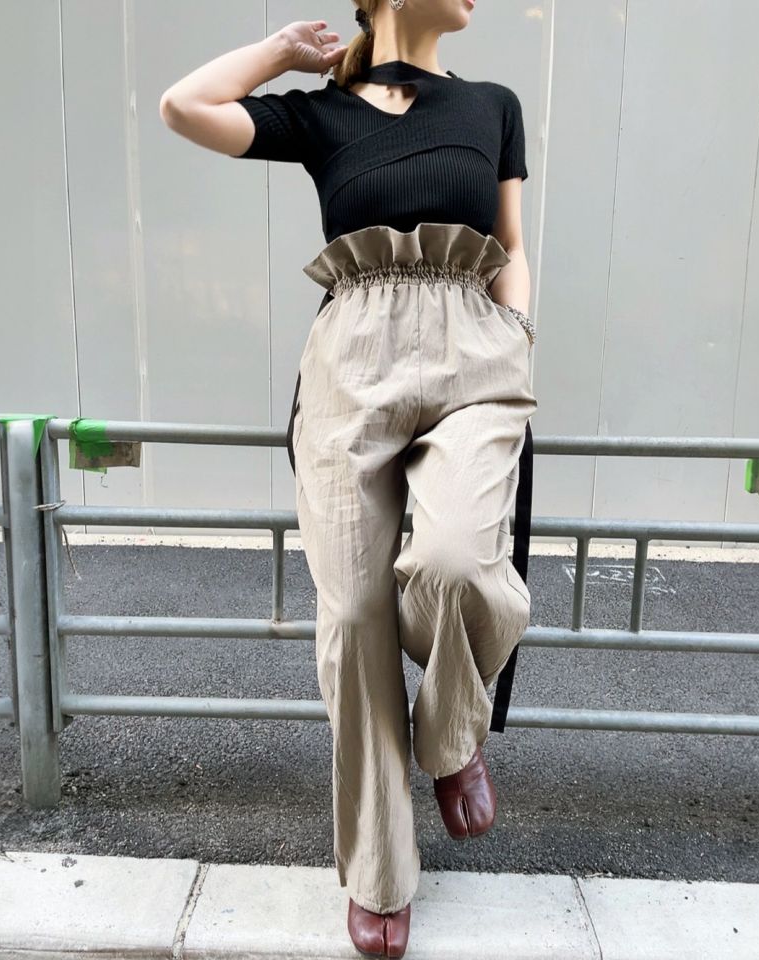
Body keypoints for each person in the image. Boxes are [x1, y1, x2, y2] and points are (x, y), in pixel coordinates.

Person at [160, 2, 537, 956]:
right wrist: (281, 53)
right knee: (356, 620)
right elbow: (183, 105)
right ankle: (379, 870)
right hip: (350, 363)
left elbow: (513, 244)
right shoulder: (321, 115)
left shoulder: (493, 104)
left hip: (474, 352)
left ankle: (450, 735)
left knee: (457, 561)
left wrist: (517, 334)